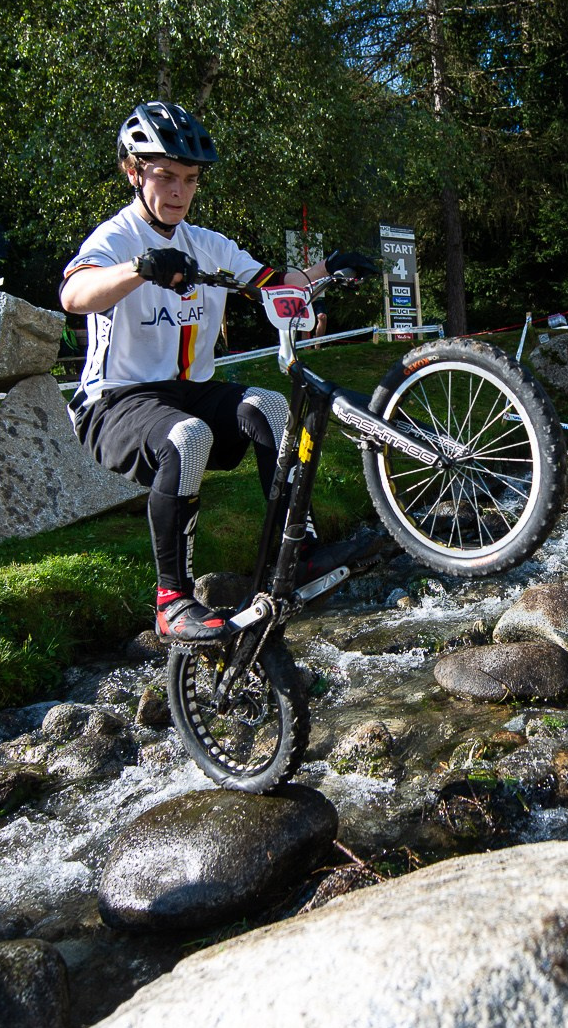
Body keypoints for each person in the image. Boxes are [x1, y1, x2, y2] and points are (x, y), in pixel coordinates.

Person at [60, 100, 365, 642]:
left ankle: (296, 556)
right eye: (165, 176)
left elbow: (275, 283)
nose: (179, 191)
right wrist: (139, 268)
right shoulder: (117, 238)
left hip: (189, 391)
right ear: (133, 172)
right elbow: (74, 294)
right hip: (115, 402)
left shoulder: (208, 245)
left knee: (272, 407)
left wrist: (330, 268)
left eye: (191, 179)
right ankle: (172, 600)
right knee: (188, 436)